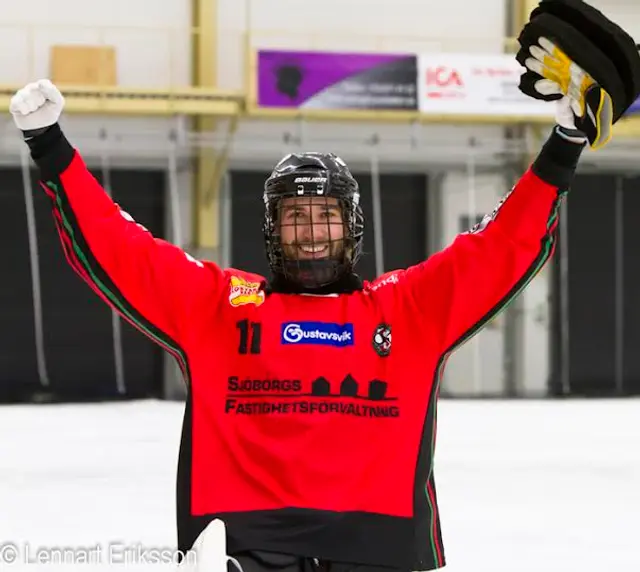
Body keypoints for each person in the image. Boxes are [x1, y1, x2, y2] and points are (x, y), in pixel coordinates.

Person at [8, 27, 635, 572]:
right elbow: (121, 250)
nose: (311, 232)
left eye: (326, 215)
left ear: (353, 225)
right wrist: (52, 149)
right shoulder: (221, 306)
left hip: (378, 544)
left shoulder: (406, 308)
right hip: (242, 541)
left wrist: (563, 143)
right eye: (295, 216)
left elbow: (501, 248)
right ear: (272, 230)